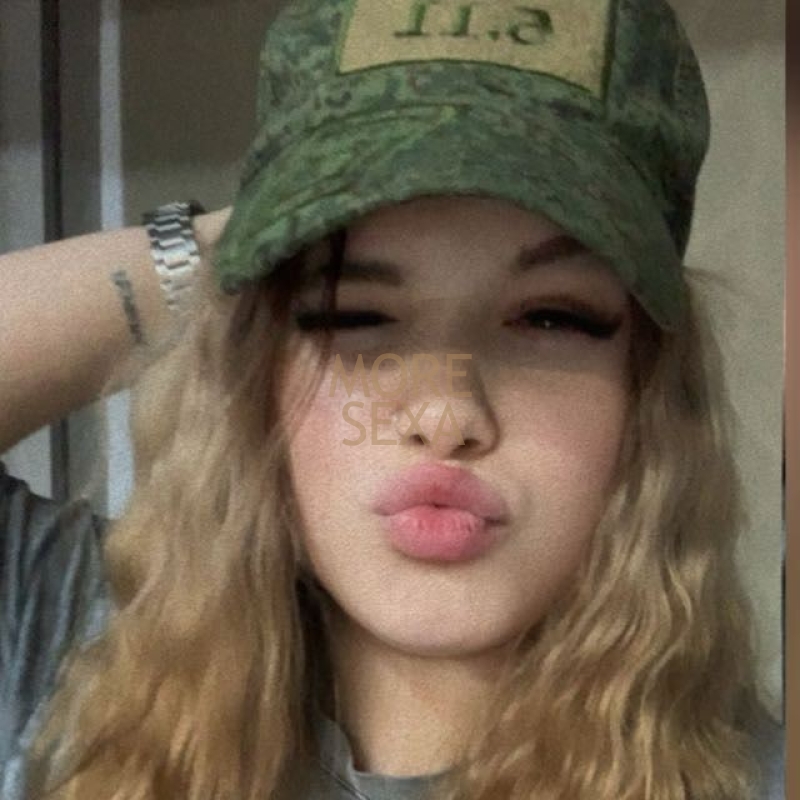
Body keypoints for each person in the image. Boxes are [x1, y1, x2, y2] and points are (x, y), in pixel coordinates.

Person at [0, 0, 785, 798]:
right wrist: (245, 249)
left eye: (550, 317)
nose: (445, 417)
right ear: (253, 370)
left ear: (646, 389)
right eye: (353, 312)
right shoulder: (77, 662)